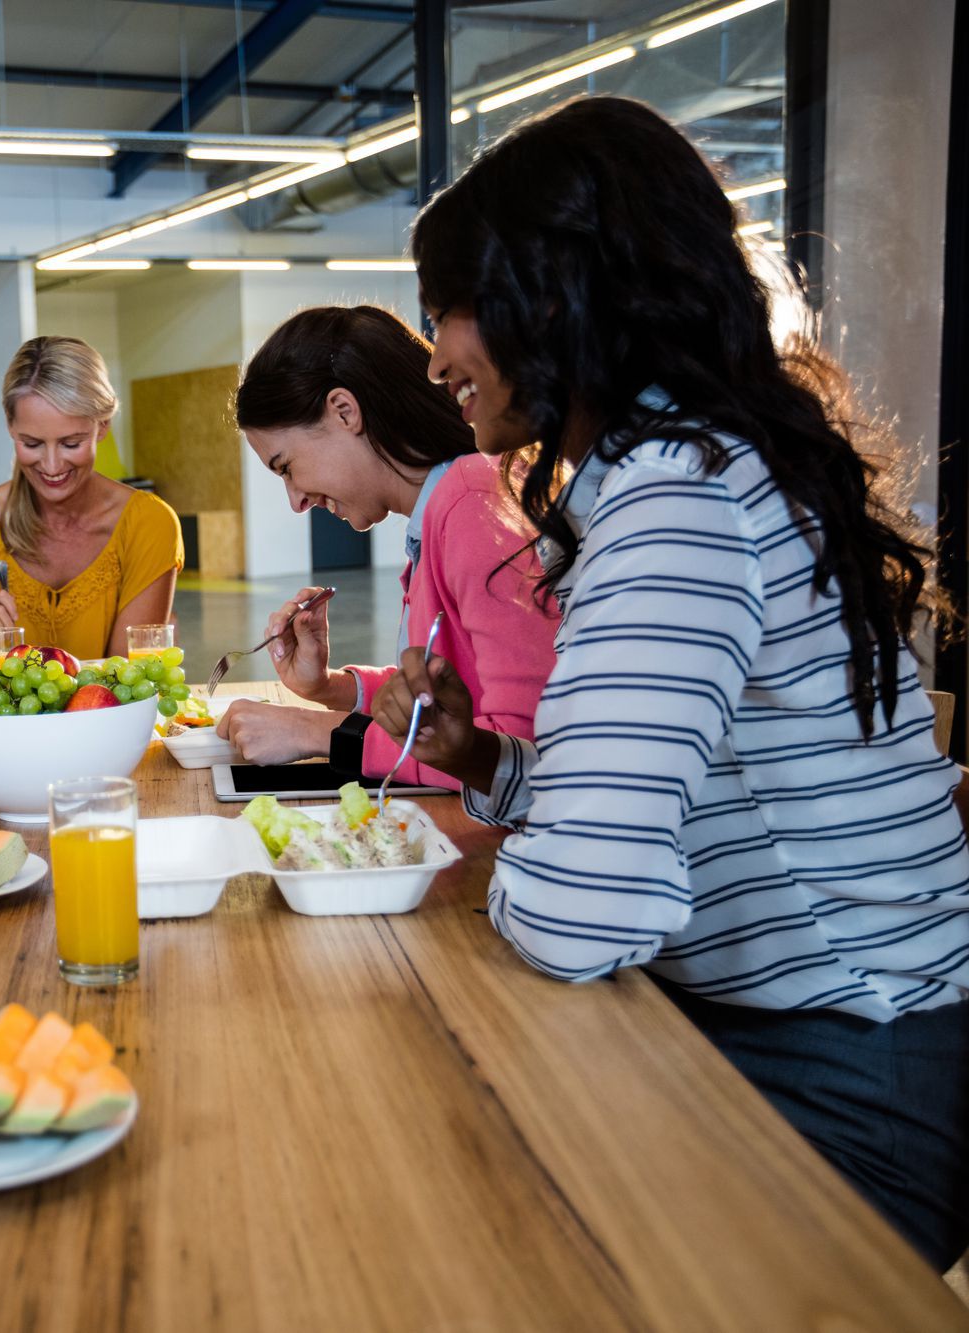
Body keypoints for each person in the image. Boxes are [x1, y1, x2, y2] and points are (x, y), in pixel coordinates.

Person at [375, 96, 969, 1268]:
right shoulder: (707, 462)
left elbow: (579, 911)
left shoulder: (676, 500)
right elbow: (692, 801)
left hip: (846, 1085)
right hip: (810, 1035)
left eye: (445, 309)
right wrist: (490, 765)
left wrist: (539, 872)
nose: (435, 353)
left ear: (549, 297)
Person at [216, 306, 556, 788]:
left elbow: (518, 756)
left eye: (287, 466)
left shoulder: (472, 506)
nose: (296, 501)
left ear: (344, 411)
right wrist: (332, 688)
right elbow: (445, 703)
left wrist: (321, 732)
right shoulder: (446, 506)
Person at [0, 336, 181, 685]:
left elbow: (122, 686)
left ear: (103, 426)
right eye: (32, 443)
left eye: (71, 443)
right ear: (10, 427)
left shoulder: (150, 524)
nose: (52, 466)